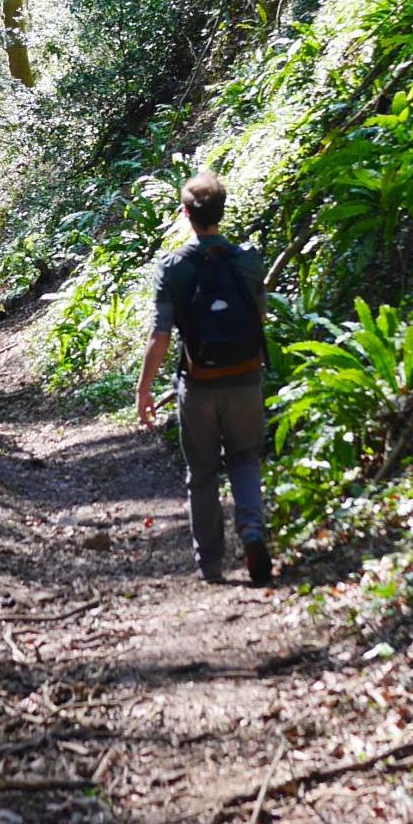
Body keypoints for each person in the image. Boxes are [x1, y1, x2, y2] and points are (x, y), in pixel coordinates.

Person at [135, 171, 272, 588]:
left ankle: (210, 565)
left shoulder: (173, 266)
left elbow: (161, 335)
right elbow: (260, 317)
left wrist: (144, 390)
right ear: (221, 212)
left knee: (203, 472)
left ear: (185, 214)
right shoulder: (247, 258)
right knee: (246, 458)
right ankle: (252, 531)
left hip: (198, 384)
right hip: (246, 377)